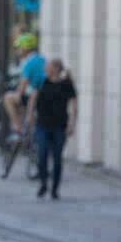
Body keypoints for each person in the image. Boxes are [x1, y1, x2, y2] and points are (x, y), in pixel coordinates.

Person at [27, 58, 77, 200]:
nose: (45, 69)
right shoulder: (41, 82)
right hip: (42, 124)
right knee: (42, 154)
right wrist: (30, 115)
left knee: (57, 158)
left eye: (48, 66)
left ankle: (55, 189)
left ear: (55, 69)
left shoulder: (67, 84)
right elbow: (33, 99)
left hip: (60, 126)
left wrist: (72, 123)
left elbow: (74, 105)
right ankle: (43, 183)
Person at [2, 33, 46, 137]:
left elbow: (24, 83)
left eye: (19, 48)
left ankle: (18, 128)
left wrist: (18, 95)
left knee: (8, 98)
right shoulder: (42, 59)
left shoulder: (29, 62)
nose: (17, 51)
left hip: (36, 96)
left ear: (25, 48)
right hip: (45, 94)